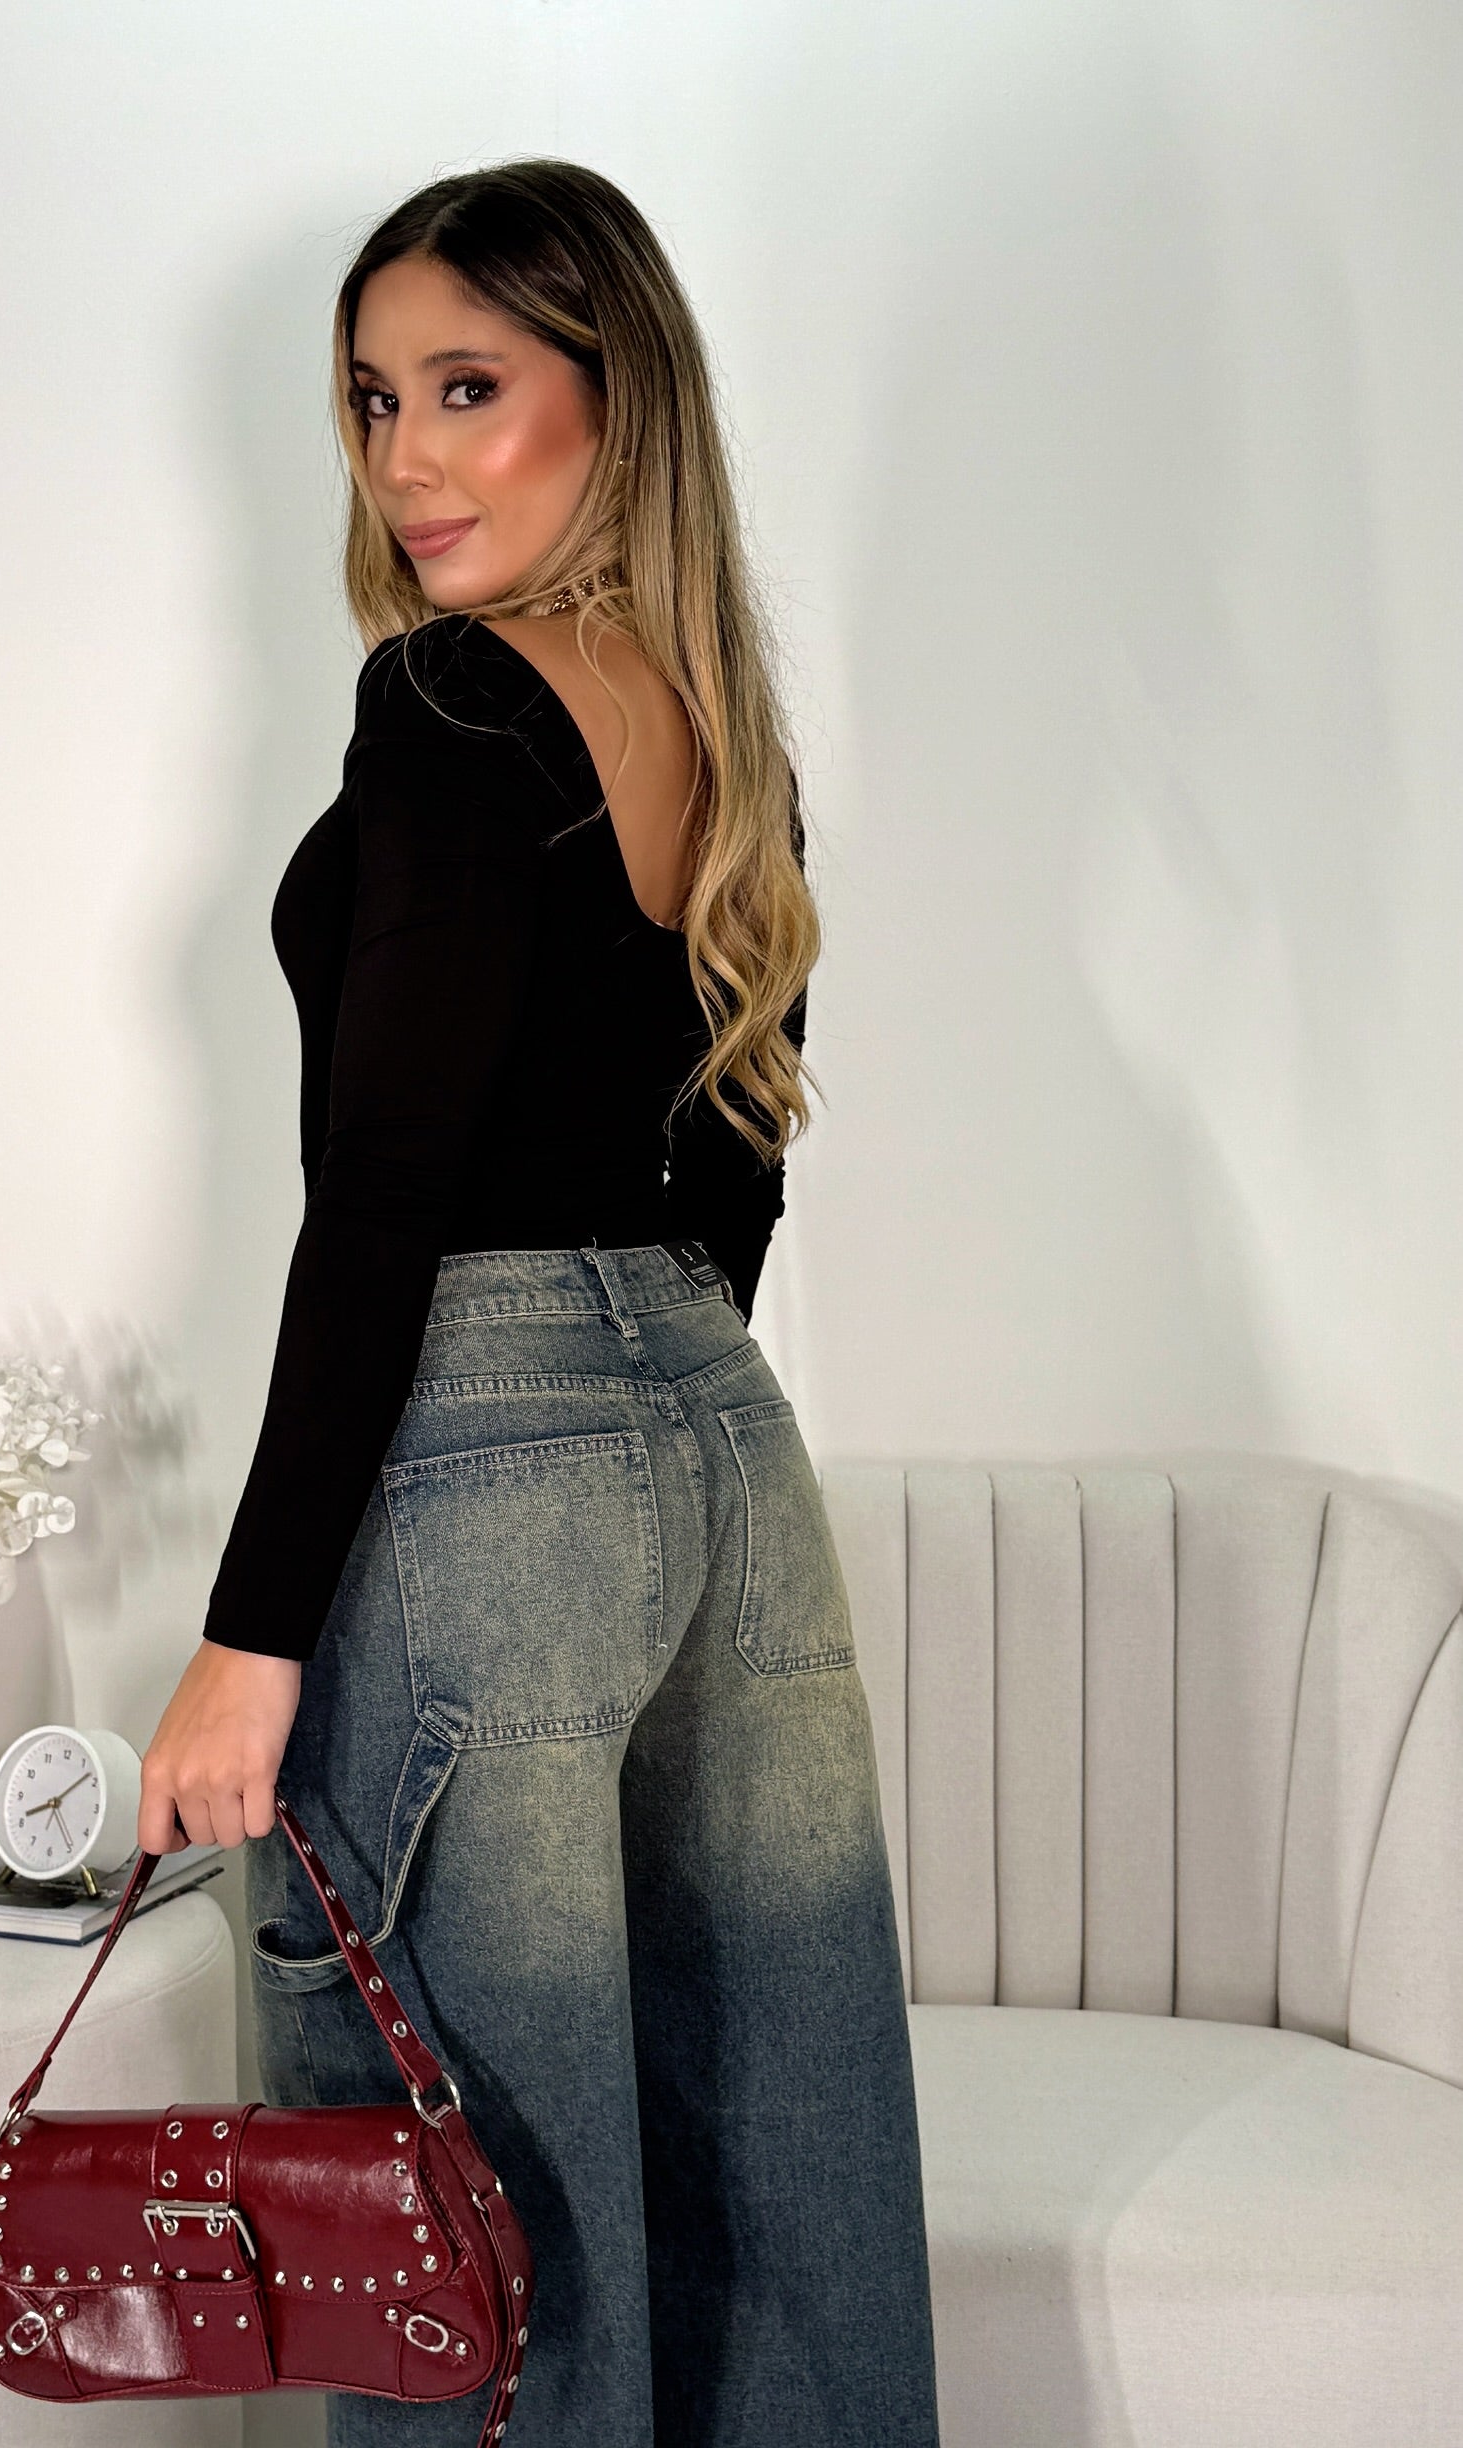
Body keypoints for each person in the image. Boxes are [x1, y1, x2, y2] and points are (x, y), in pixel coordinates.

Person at [139, 158, 940, 2447]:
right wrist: (648, 1394)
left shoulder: (454, 703)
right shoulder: (722, 730)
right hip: (725, 1446)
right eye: (375, 398)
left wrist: (250, 1632)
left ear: (618, 396)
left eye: (469, 388)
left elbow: (384, 1185)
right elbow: (741, 1157)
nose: (408, 455)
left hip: (488, 1464)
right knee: (775, 2162)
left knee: (476, 2233)